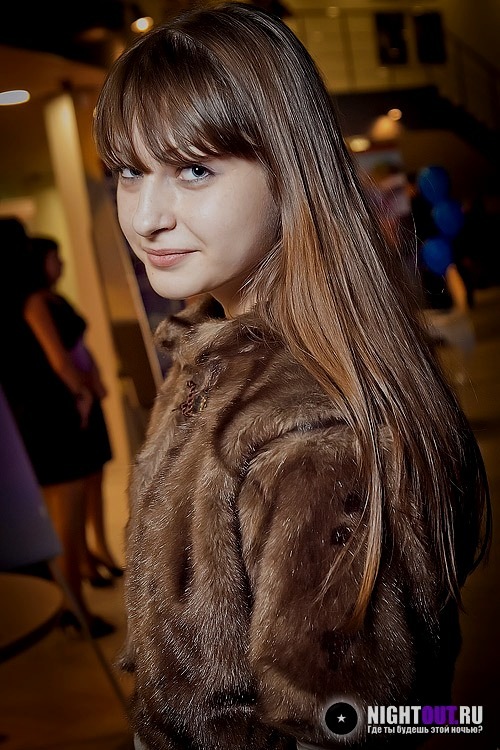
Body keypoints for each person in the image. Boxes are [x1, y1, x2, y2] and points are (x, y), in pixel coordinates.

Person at [93, 3, 491, 748]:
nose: (145, 217)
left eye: (194, 170)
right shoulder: (211, 359)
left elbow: (351, 727)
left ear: (288, 170)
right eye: (129, 172)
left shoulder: (314, 432)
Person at [1, 225, 116, 638]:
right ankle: (76, 610)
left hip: (29, 419)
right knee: (66, 522)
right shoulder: (31, 301)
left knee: (57, 519)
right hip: (54, 418)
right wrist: (81, 393)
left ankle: (70, 601)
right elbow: (60, 361)